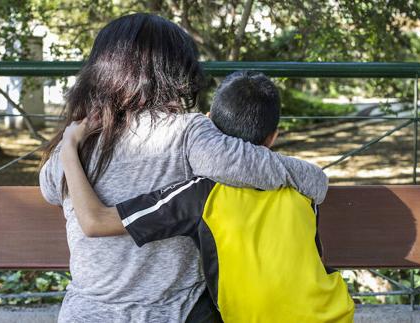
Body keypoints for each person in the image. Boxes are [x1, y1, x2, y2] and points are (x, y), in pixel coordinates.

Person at [40, 14, 329, 323]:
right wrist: (313, 177)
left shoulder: (78, 140)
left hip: (84, 314)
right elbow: (251, 167)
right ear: (175, 70)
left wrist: (68, 145)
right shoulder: (187, 132)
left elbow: (48, 189)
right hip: (173, 313)